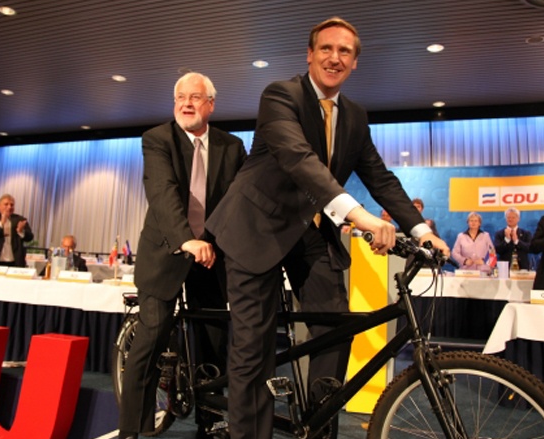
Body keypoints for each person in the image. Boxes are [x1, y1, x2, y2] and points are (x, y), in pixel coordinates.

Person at [205, 18, 448, 439]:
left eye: (345, 52)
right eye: (326, 49)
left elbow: (379, 177)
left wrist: (420, 229)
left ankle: (317, 431)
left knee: (336, 329)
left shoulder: (354, 115)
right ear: (310, 54)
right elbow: (299, 159)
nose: (335, 58)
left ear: (355, 62)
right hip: (256, 227)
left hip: (310, 231)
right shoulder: (280, 95)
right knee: (253, 349)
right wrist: (361, 216)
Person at [118, 72, 246, 439]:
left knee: (213, 341)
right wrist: (185, 240)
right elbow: (163, 193)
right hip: (166, 252)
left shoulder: (231, 146)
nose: (186, 103)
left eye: (195, 97)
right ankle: (132, 431)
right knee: (153, 335)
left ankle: (211, 423)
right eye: (180, 98)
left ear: (211, 105)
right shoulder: (158, 139)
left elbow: (243, 197)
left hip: (211, 257)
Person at [0, 194, 34, 267]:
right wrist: (1, 223)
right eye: (6, 204)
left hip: (15, 261)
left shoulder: (20, 219)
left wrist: (21, 232)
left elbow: (30, 237)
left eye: (12, 205)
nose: (9, 207)